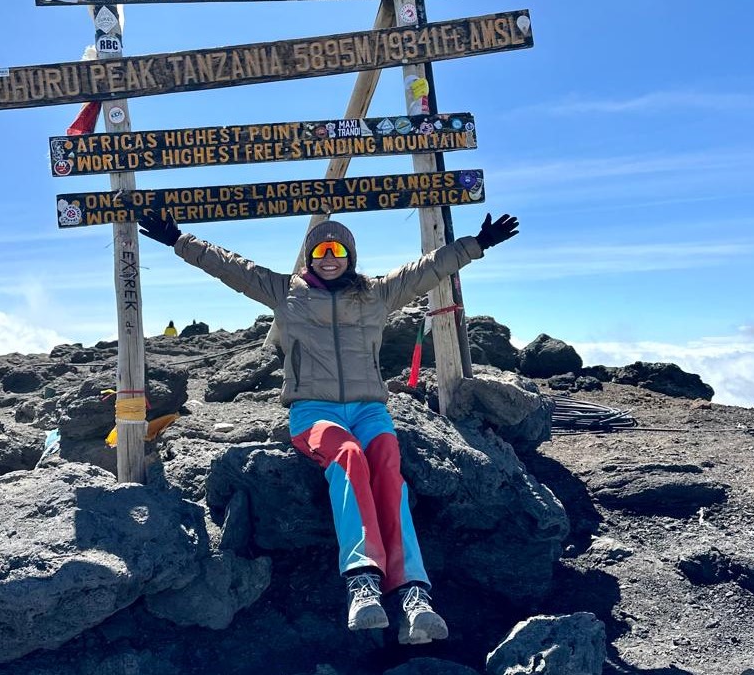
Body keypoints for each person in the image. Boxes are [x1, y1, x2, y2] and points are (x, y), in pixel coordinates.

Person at [138, 210, 519, 644]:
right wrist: (177, 239)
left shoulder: (377, 293)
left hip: (369, 410)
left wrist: (477, 243)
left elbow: (428, 268)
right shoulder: (285, 291)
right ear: (310, 256)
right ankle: (363, 584)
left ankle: (414, 595)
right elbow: (231, 267)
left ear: (350, 255)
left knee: (388, 466)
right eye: (320, 249)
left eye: (338, 249)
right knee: (349, 457)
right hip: (313, 412)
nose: (329, 257)